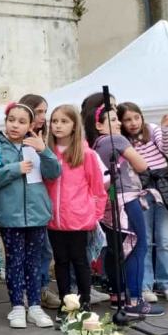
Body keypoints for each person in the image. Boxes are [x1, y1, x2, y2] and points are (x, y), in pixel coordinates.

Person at [0, 102, 61, 329]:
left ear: (31, 125)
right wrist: (14, 169)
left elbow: (54, 173)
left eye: (22, 121)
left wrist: (43, 150)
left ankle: (34, 305)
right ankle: (17, 306)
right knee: (15, 260)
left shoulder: (36, 145)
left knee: (34, 261)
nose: (15, 125)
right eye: (11, 119)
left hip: (36, 214)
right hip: (9, 214)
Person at [85, 102, 164, 317]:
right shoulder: (117, 140)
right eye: (112, 120)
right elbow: (141, 166)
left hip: (109, 201)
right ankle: (135, 301)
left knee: (115, 249)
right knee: (137, 246)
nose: (118, 123)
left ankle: (118, 295)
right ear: (99, 126)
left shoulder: (96, 145)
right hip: (126, 198)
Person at [44, 104, 107, 311]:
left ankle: (85, 301)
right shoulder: (48, 153)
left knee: (80, 261)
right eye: (54, 121)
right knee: (60, 262)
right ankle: (66, 303)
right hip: (54, 220)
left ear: (74, 125)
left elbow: (98, 189)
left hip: (79, 219)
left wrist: (94, 216)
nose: (58, 126)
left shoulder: (86, 154)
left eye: (64, 121)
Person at [119, 102, 168, 302]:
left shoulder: (152, 129)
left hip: (164, 187)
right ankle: (145, 286)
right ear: (121, 122)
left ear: (142, 117)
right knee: (143, 240)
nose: (133, 123)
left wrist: (165, 128)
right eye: (127, 119)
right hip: (140, 190)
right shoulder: (122, 140)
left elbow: (166, 148)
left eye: (136, 117)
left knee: (165, 240)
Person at [20, 94, 57, 310]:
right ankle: (26, 291)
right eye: (39, 111)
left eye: (45, 111)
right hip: (23, 203)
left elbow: (52, 171)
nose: (43, 116)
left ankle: (41, 289)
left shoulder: (45, 137)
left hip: (43, 201)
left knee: (45, 250)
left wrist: (44, 148)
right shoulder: (16, 138)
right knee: (24, 252)